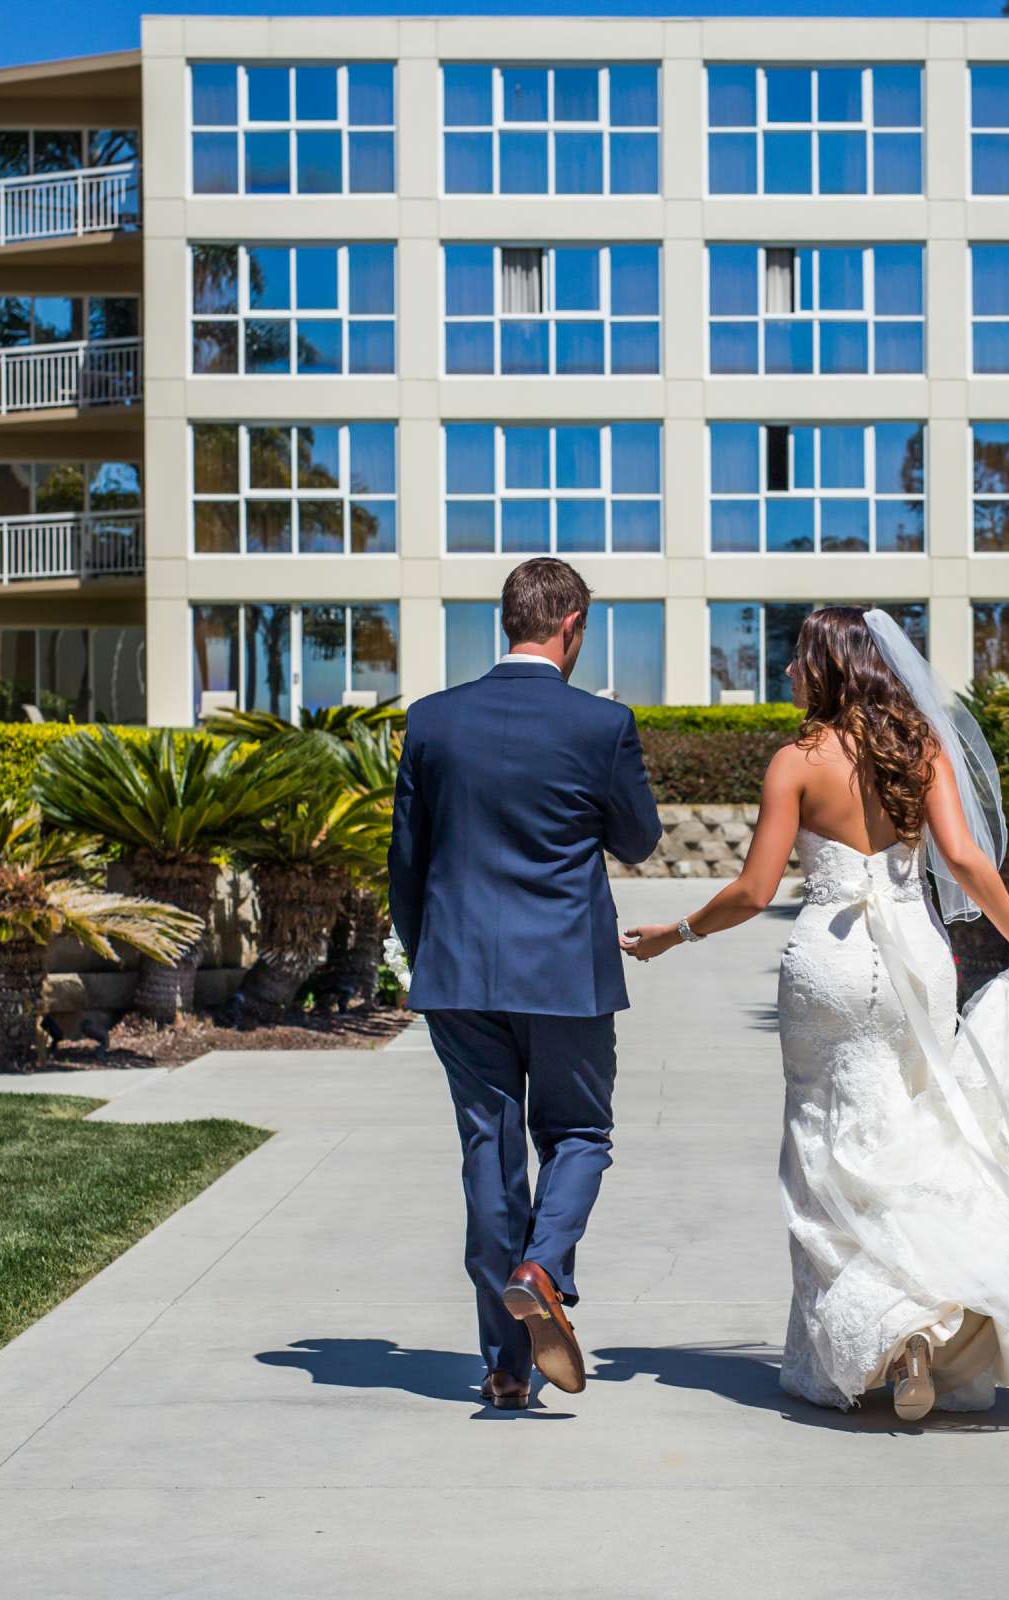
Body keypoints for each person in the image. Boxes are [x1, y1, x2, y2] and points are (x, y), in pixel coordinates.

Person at [622, 607, 1009, 1442]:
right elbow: (965, 859)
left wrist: (678, 932)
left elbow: (754, 889)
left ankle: (889, 1328)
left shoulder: (795, 761)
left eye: (796, 663)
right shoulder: (918, 749)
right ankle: (926, 1322)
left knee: (827, 1139)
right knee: (915, 1129)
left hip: (830, 963)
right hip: (917, 957)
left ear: (828, 668)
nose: (787, 677)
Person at [388, 557, 663, 1412]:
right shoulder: (601, 724)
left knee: (490, 1152)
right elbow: (640, 840)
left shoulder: (431, 722)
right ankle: (543, 1268)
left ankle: (507, 1368)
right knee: (579, 1132)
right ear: (572, 624)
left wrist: (426, 952)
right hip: (567, 974)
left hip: (458, 970)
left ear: (505, 622)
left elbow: (407, 862)